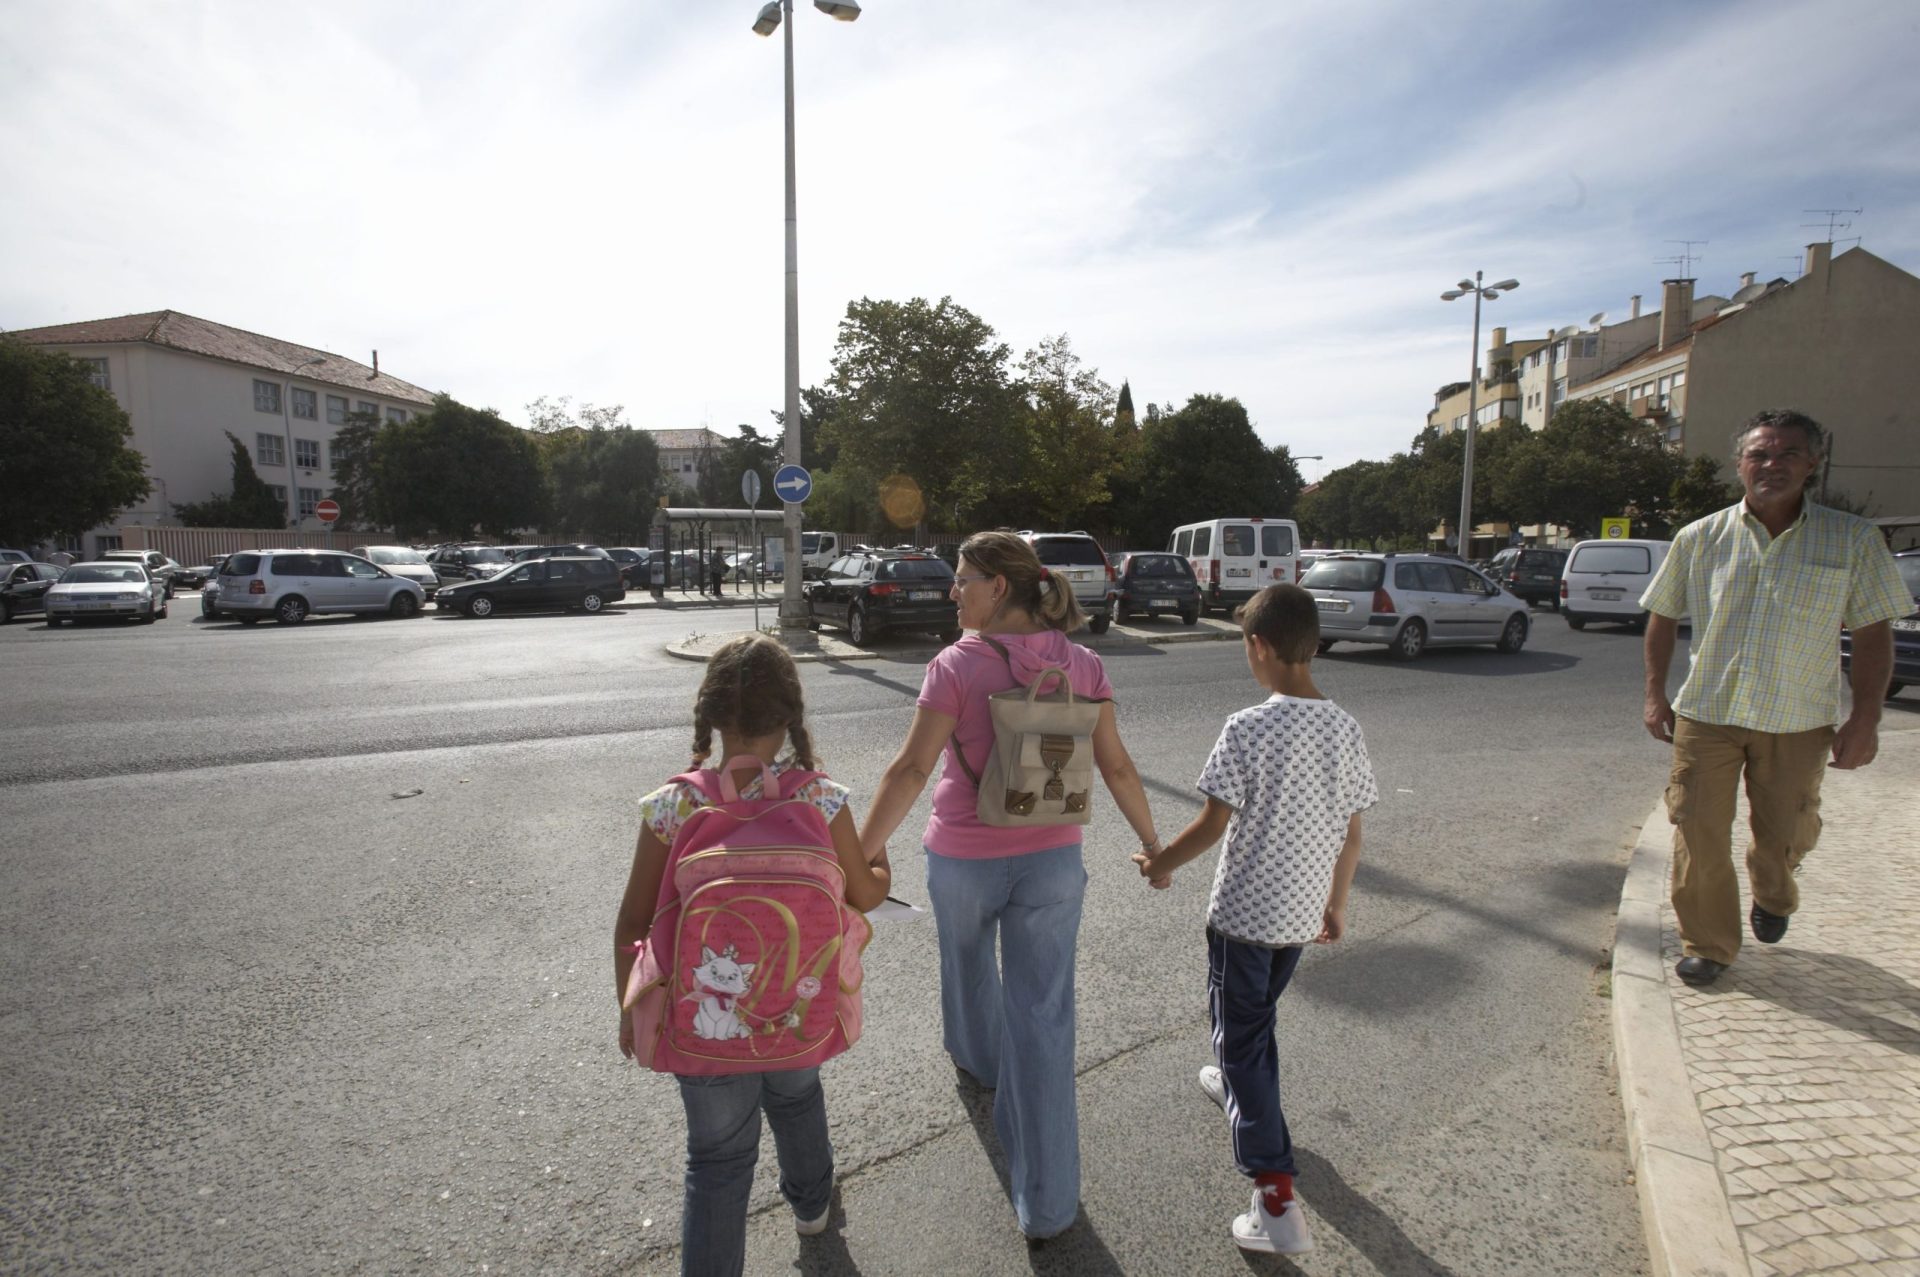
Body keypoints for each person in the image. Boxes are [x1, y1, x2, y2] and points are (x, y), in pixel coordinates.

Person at [856, 530, 1160, 1240]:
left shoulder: (956, 664)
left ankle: (979, 1059)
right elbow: (1116, 766)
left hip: (963, 855)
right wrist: (1154, 845)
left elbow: (909, 771)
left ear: (999, 586)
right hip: (1055, 861)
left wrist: (858, 858)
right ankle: (1049, 1205)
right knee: (1045, 1021)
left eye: (963, 578)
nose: (953, 590)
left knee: (966, 964)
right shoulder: (1083, 663)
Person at [614, 634, 892, 1277]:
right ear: (791, 717)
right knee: (797, 1098)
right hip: (799, 1010)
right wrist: (880, 865)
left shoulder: (674, 804)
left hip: (698, 1017)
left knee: (715, 1160)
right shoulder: (821, 799)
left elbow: (632, 921)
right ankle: (813, 1207)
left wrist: (628, 1005)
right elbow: (865, 895)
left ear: (711, 716)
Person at [1133, 584, 1377, 1255]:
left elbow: (1212, 823)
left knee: (1242, 1035)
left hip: (1242, 919)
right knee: (1251, 1020)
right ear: (1315, 646)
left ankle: (1275, 1196)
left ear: (1258, 647)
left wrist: (1159, 863)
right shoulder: (1345, 727)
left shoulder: (1248, 726)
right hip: (1299, 916)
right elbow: (1352, 835)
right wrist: (1336, 902)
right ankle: (1232, 1079)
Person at [1642, 409, 1909, 986]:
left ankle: (1774, 891)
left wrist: (1865, 719)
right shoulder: (1700, 537)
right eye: (1759, 454)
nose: (1771, 465)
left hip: (1798, 720)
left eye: (1787, 453)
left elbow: (1872, 634)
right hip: (1708, 713)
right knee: (1696, 830)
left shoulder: (1853, 539)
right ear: (1740, 465)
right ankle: (1708, 943)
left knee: (1783, 835)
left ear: (1811, 464)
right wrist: (1655, 696)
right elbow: (1662, 616)